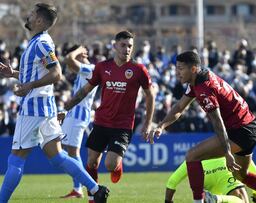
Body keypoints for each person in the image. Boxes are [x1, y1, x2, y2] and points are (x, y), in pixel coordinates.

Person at [150, 51, 256, 203]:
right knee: (241, 175)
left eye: (180, 68)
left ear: (193, 69)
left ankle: (198, 201)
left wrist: (227, 152)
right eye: (176, 68)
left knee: (192, 156)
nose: (177, 72)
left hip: (240, 131)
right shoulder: (199, 78)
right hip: (251, 126)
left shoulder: (203, 88)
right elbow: (180, 106)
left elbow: (217, 122)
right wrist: (161, 125)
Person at [0, 3, 109, 203]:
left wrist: (29, 85)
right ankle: (95, 189)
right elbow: (37, 73)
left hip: (34, 108)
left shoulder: (41, 43)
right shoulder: (39, 42)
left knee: (15, 158)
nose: (29, 16)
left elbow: (56, 73)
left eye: (32, 14)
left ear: (39, 20)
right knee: (58, 158)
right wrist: (14, 74)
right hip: (46, 109)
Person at [63, 30, 155, 203]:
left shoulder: (138, 70)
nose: (127, 49)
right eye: (123, 45)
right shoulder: (102, 67)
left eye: (130, 46)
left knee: (110, 164)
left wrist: (147, 124)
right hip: (101, 122)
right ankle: (92, 197)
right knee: (91, 163)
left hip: (123, 125)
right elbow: (86, 90)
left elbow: (150, 95)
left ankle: (117, 165)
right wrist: (69, 105)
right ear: (114, 46)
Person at [59, 45, 98, 198]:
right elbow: (69, 61)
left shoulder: (90, 68)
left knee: (72, 153)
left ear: (82, 54)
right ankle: (77, 187)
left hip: (79, 117)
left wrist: (79, 50)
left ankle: (84, 187)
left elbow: (69, 60)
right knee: (64, 150)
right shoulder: (85, 70)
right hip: (73, 115)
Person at [165, 157, 256, 203]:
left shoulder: (192, 157)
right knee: (241, 199)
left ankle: (213, 198)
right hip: (225, 172)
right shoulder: (235, 150)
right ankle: (216, 199)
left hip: (204, 180)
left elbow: (172, 181)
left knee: (210, 198)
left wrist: (168, 201)